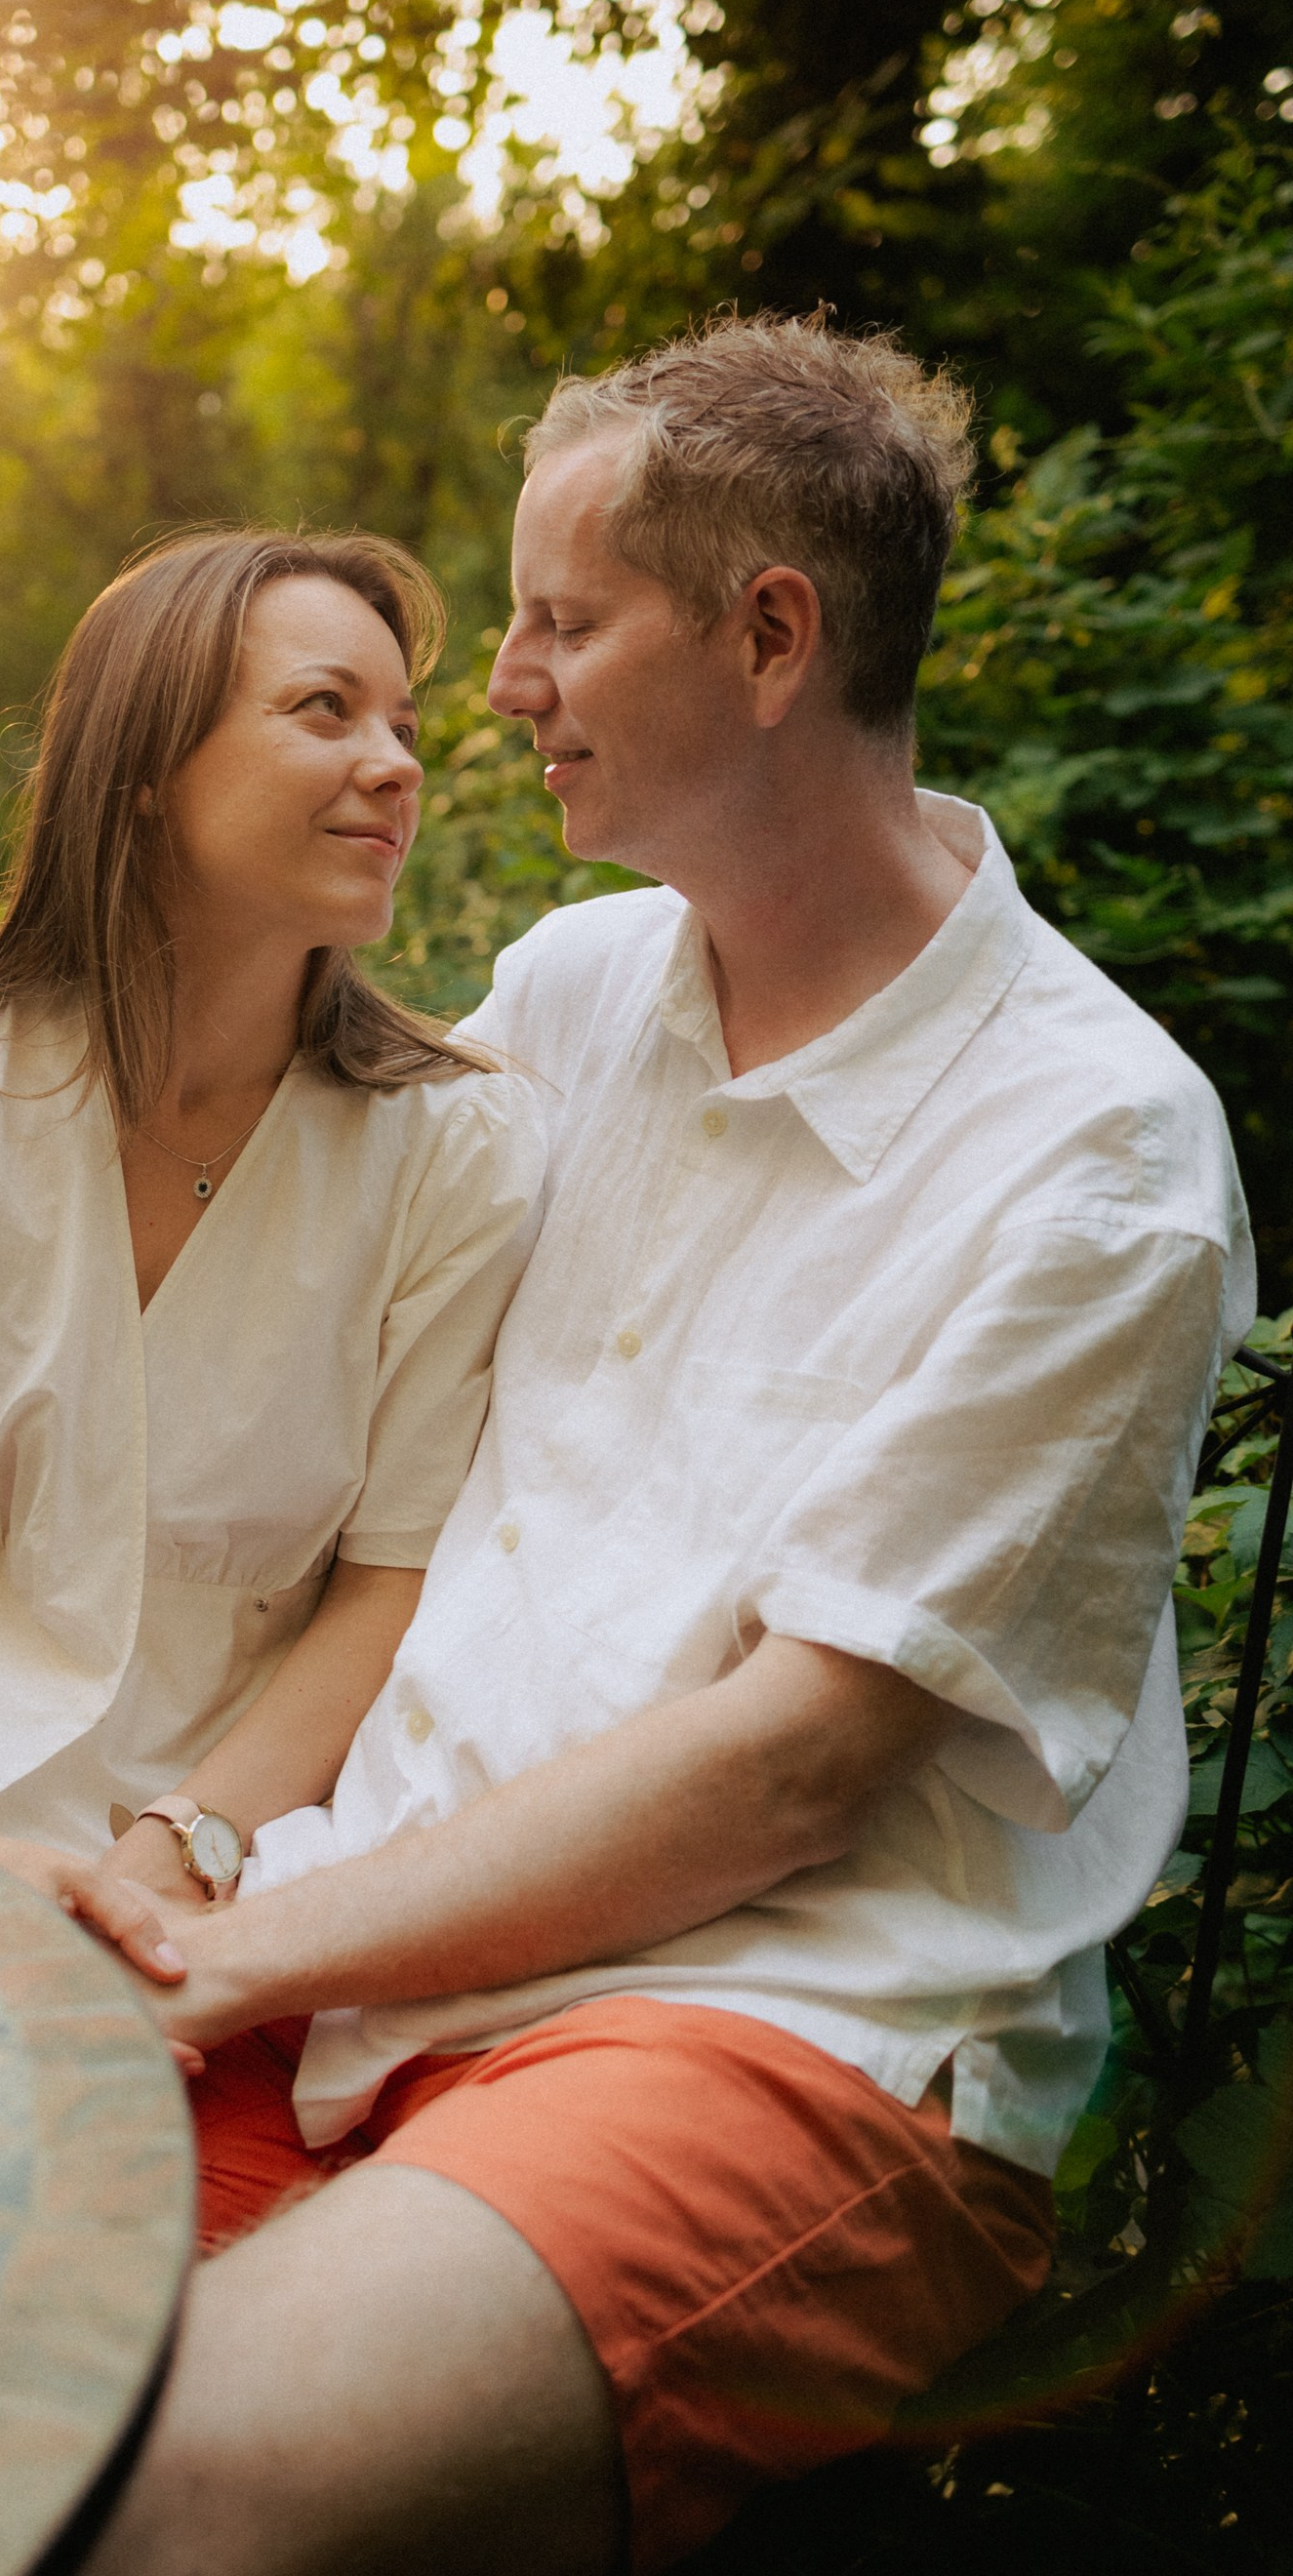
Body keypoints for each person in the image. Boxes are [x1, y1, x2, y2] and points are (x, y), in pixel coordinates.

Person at [81, 317, 1256, 2576]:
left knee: (175, 2484)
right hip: (372, 1949)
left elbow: (793, 1768)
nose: (496, 682)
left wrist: (247, 1949)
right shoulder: (577, 994)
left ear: (769, 638)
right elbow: (353, 1455)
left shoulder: (1089, 1156)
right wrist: (181, 1849)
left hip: (773, 2024)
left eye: (557, 617)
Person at [0, 528, 540, 1978]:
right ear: (143, 768)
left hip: (241, 1823)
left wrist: (185, 1844)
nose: (397, 763)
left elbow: (391, 1576)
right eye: (327, 709)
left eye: (405, 724)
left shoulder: (458, 1148)